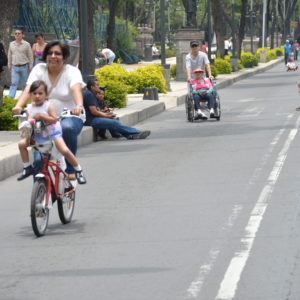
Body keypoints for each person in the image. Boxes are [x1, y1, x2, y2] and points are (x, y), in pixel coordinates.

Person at [12, 40, 86, 180]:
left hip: (68, 116)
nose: (53, 56)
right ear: (45, 55)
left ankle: (71, 170)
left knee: (67, 127)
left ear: (64, 57)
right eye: (50, 53)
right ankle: (39, 192)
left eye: (57, 53)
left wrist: (79, 106)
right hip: (43, 120)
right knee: (39, 159)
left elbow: (76, 89)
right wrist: (19, 106)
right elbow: (29, 89)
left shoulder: (72, 71)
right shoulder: (39, 69)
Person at [17, 80, 86, 184]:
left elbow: (54, 119)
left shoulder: (47, 105)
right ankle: (27, 167)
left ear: (46, 95)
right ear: (30, 95)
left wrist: (42, 116)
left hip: (52, 133)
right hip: (37, 134)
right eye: (34, 93)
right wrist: (26, 128)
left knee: (64, 150)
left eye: (40, 93)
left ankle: (78, 170)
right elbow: (29, 122)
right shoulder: (30, 108)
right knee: (21, 144)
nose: (37, 96)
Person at [84, 80, 151, 140]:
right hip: (90, 120)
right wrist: (106, 116)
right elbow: (94, 112)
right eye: (97, 85)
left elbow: (97, 110)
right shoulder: (89, 94)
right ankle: (138, 132)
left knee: (114, 120)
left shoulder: (91, 94)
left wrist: (106, 114)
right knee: (114, 123)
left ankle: (131, 136)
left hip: (94, 117)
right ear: (92, 87)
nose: (99, 86)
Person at [8, 29, 33, 99]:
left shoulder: (27, 44)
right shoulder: (11, 44)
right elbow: (9, 55)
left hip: (24, 67)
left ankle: (24, 99)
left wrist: (31, 66)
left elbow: (30, 56)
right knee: (13, 83)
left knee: (24, 84)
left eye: (19, 33)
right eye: (15, 33)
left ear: (22, 35)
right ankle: (10, 98)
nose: (17, 35)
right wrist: (9, 65)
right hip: (14, 67)